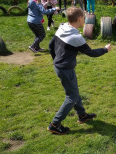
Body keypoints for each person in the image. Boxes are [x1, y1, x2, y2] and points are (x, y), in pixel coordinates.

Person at [47, 7, 111, 135]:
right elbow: (91, 53)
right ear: (80, 19)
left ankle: (82, 115)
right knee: (72, 97)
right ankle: (55, 124)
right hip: (65, 69)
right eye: (84, 18)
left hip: (61, 67)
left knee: (74, 92)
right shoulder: (76, 37)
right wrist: (105, 49)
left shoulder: (62, 27)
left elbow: (50, 45)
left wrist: (56, 61)